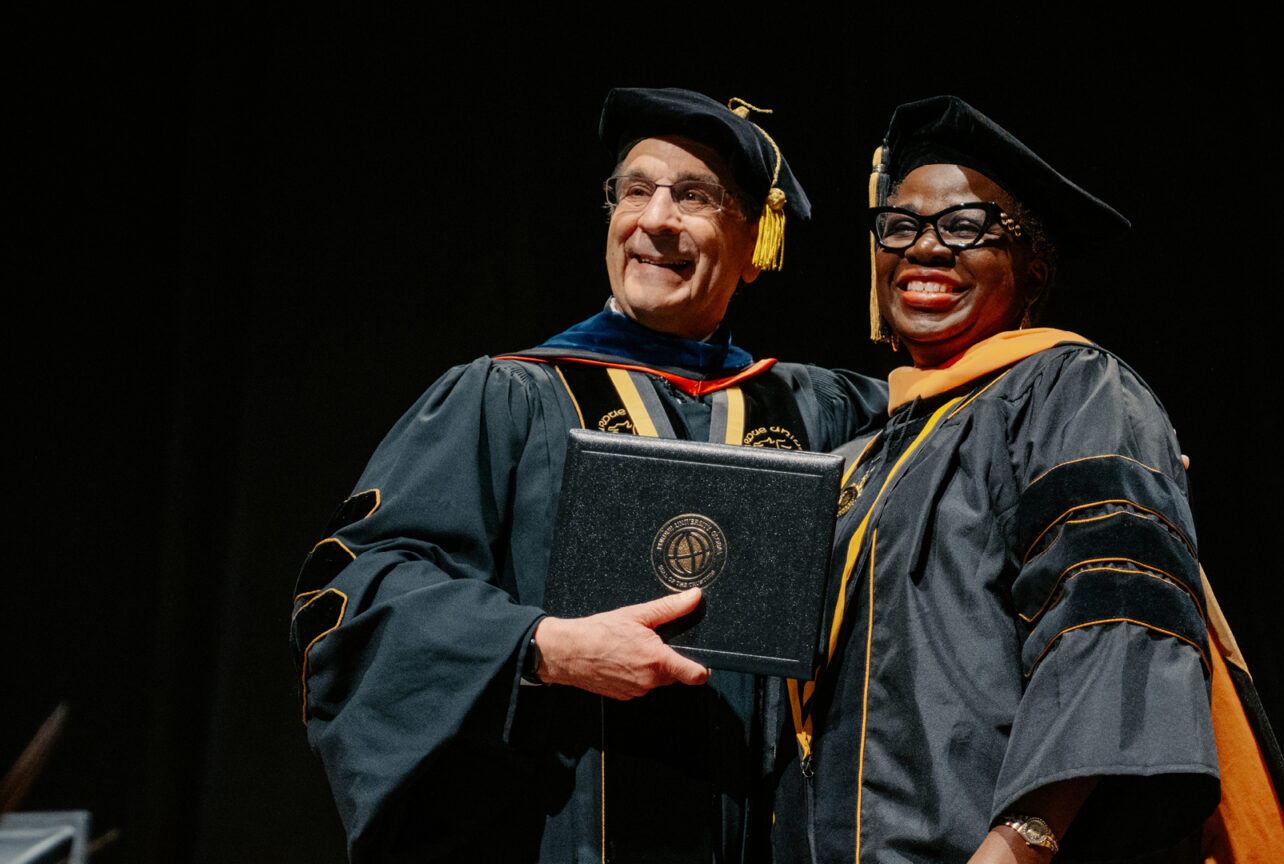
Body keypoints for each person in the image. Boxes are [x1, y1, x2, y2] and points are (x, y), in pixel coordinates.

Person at [289, 87, 886, 863]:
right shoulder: (507, 398)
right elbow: (355, 590)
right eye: (634, 190)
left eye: (695, 196)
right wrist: (543, 646)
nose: (656, 219)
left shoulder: (824, 412)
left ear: (754, 245)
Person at [773, 96, 1284, 863]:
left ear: (1029, 263)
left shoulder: (1073, 389)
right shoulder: (868, 452)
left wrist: (1019, 843)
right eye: (899, 226)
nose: (925, 249)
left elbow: (1110, 626)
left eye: (964, 227)